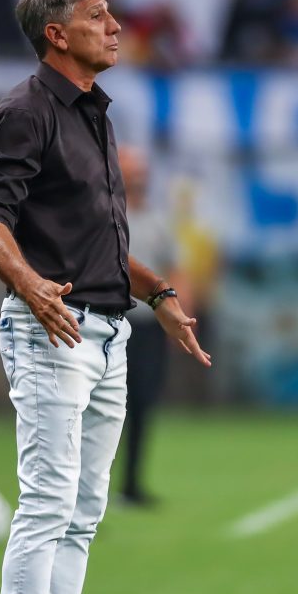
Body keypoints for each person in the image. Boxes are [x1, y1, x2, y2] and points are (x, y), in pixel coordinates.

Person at [0, 0, 211, 594]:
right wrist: (30, 286)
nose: (115, 27)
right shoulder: (23, 112)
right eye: (99, 15)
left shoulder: (96, 113)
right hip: (55, 327)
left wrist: (158, 293)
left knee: (82, 510)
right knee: (47, 503)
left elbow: (102, 241)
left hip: (109, 331)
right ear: (57, 32)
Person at [117, 146, 189, 507]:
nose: (138, 177)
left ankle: (131, 484)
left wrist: (180, 316)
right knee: (98, 405)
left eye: (141, 170)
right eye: (131, 170)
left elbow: (176, 269)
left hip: (147, 326)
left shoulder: (158, 221)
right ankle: (83, 488)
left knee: (143, 402)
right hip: (112, 322)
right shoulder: (105, 216)